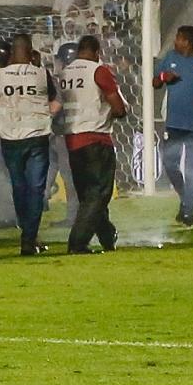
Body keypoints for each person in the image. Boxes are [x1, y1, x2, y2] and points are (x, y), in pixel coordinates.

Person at [0, 34, 58, 255]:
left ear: (10, 53)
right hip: (37, 137)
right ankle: (29, 237)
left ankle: (28, 235)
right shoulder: (42, 74)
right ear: (31, 52)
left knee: (19, 187)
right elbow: (54, 100)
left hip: (10, 138)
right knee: (36, 189)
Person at [60, 34, 129, 253]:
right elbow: (119, 108)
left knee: (88, 195)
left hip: (72, 140)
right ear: (97, 52)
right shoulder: (98, 70)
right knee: (99, 193)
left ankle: (107, 236)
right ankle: (77, 243)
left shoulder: (64, 73)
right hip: (95, 138)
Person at [151, 24, 193, 226]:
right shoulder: (171, 58)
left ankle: (188, 211)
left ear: (187, 42)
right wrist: (164, 77)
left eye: (179, 38)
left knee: (192, 169)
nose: (175, 41)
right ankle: (186, 199)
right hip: (174, 123)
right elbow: (155, 82)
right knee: (169, 163)